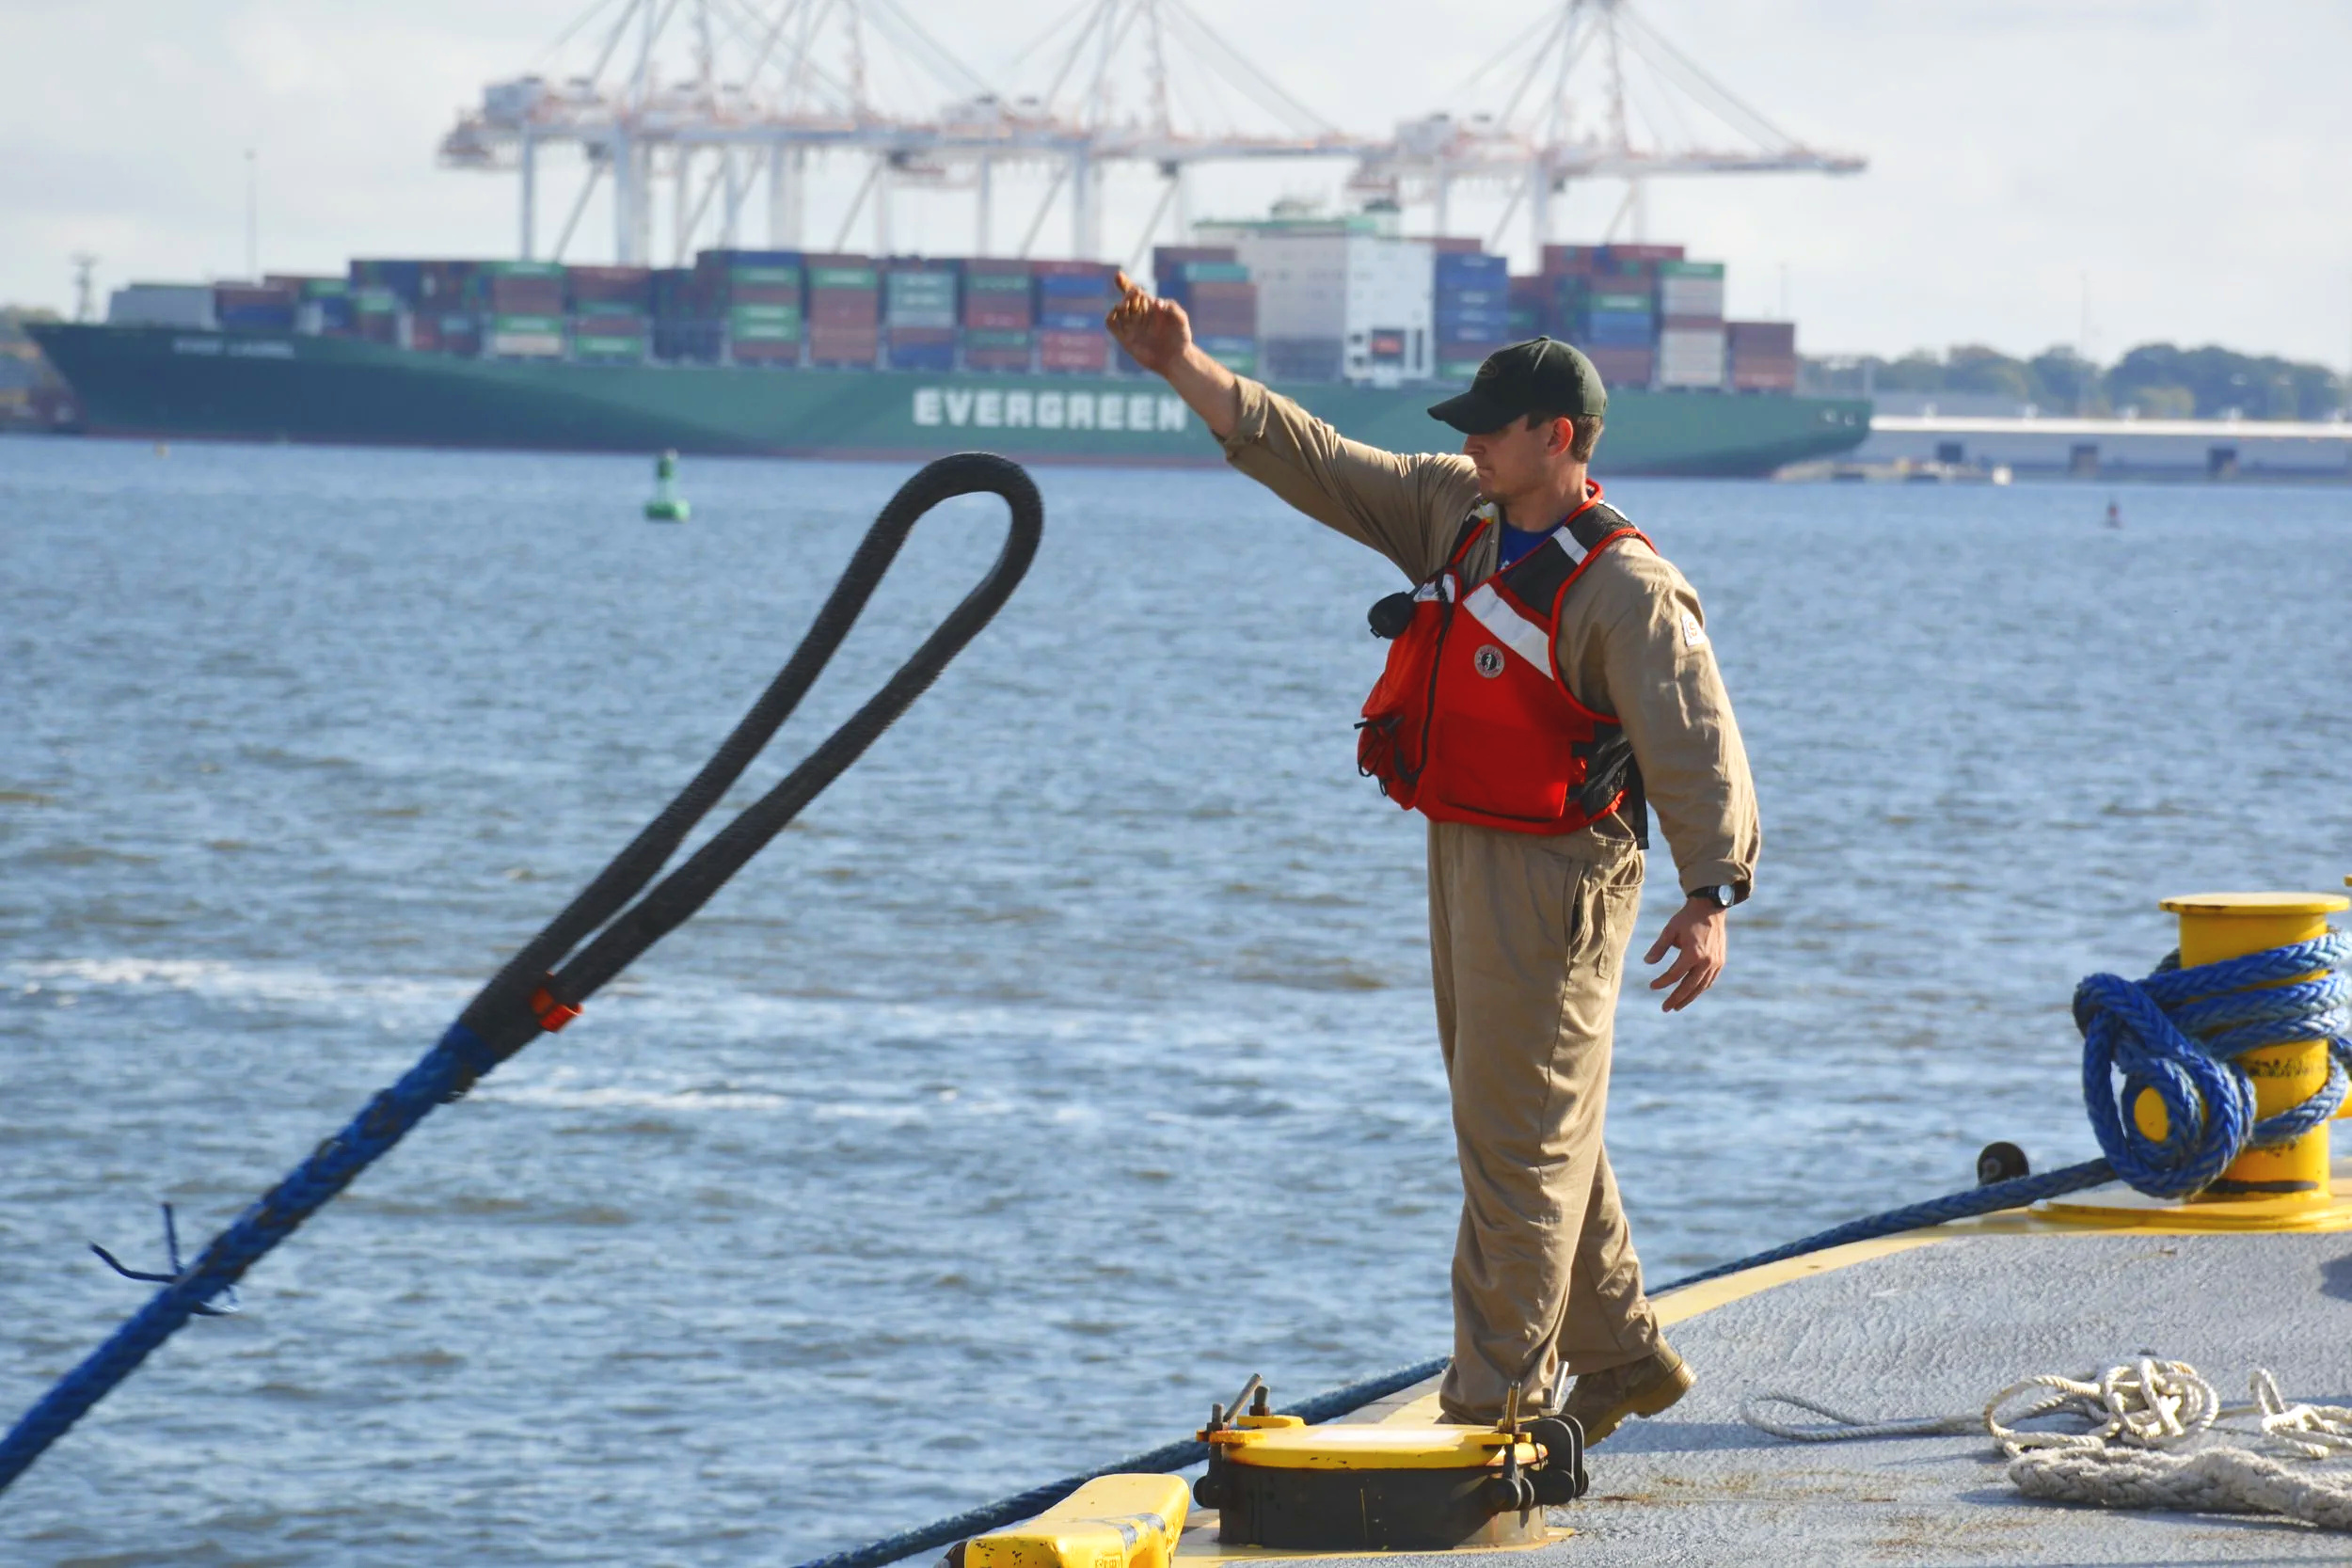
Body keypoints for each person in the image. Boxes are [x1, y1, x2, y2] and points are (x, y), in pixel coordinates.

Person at [1105, 272, 1760, 1443]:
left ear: (1554, 438)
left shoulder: (1627, 587)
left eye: (1486, 426)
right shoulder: (1459, 512)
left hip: (1560, 874)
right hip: (1464, 846)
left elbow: (1697, 740)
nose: (1466, 441)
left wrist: (1709, 895)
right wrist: (1177, 365)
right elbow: (1312, 456)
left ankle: (1487, 1419)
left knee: (1519, 1140)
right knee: (1523, 1114)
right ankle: (1620, 1354)